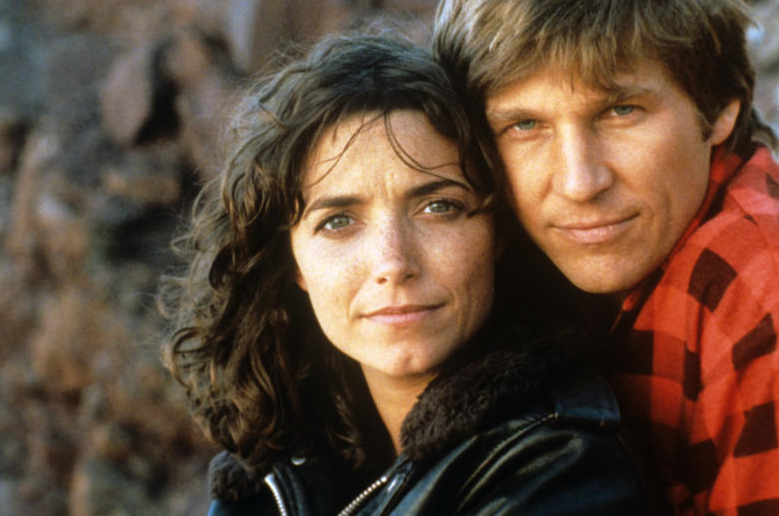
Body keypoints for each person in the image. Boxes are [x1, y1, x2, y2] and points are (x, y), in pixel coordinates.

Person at [433, 0, 779, 514]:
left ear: (717, 109)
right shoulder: (488, 256)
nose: (580, 181)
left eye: (620, 111)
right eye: (525, 125)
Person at [161, 34, 655, 514]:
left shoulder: (562, 465)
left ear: (497, 231)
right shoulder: (278, 461)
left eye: (438, 207)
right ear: (291, 261)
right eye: (338, 221)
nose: (393, 262)